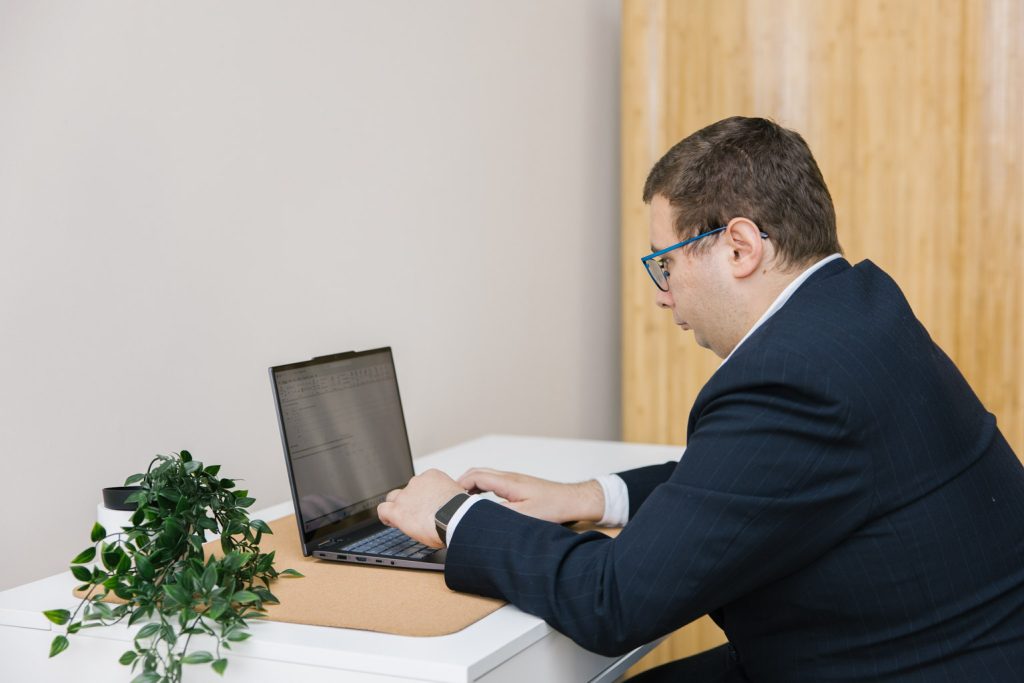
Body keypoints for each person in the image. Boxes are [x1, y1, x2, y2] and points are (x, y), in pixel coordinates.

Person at [377, 117, 1024, 681]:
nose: (663, 295)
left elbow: (612, 602)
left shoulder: (793, 378)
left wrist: (454, 515)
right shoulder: (860, 310)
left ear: (740, 247)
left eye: (666, 262)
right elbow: (748, 482)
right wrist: (588, 497)